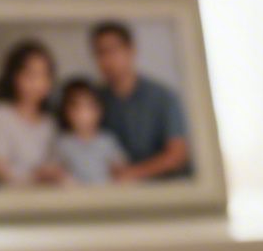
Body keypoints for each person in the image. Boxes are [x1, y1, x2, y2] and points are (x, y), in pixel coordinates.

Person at [89, 21, 192, 182]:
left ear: (131, 50)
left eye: (113, 50)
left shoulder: (163, 97)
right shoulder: (94, 101)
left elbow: (178, 154)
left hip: (165, 188)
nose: (107, 59)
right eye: (100, 52)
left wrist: (133, 173)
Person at [0, 40, 59, 187]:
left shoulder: (50, 122)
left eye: (44, 75)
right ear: (14, 76)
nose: (38, 83)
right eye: (31, 75)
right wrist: (34, 177)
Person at [52, 78, 128, 186]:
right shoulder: (63, 143)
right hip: (75, 197)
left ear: (99, 110)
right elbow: (55, 171)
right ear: (66, 112)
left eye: (89, 107)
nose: (83, 114)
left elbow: (120, 168)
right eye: (76, 108)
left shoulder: (107, 140)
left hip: (105, 196)